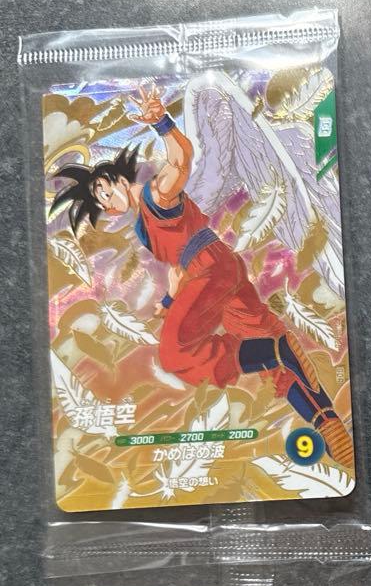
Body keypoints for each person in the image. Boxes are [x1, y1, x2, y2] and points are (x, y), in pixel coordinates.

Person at [51, 83, 352, 468]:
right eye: (101, 204)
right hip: (218, 271)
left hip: (210, 271)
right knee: (273, 362)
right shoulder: (144, 222)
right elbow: (178, 267)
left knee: (176, 353)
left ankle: (278, 352)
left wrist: (161, 122)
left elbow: (180, 161)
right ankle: (327, 422)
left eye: (105, 192)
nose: (108, 205)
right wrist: (168, 299)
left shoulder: (156, 195)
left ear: (119, 179)